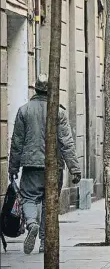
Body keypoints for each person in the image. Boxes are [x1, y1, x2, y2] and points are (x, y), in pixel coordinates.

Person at [8, 73, 82, 254]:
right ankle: (44, 242)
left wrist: (13, 168)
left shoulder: (24, 110)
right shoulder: (59, 111)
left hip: (31, 165)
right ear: (52, 90)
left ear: (35, 89)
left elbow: (17, 142)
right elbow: (66, 142)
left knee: (28, 198)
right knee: (49, 205)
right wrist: (75, 169)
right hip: (53, 166)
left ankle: (31, 223)